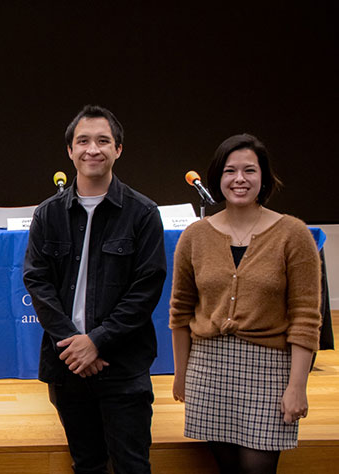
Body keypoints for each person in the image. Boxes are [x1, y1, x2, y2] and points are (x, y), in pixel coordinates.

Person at [23, 105, 167, 474]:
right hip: (67, 365)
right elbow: (37, 282)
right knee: (86, 464)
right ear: (70, 151)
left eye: (103, 141)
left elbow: (146, 289)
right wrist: (76, 344)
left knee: (133, 466)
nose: (93, 149)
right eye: (82, 141)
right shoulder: (48, 214)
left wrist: (97, 341)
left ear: (118, 149)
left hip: (122, 365)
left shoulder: (143, 213)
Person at [169, 134, 322, 473]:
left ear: (264, 177)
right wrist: (181, 375)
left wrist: (297, 386)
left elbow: (306, 317)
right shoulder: (195, 236)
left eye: (249, 170)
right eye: (229, 171)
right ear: (217, 178)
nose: (239, 179)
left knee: (258, 469)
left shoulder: (292, 234)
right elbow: (180, 311)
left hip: (269, 369)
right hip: (209, 369)